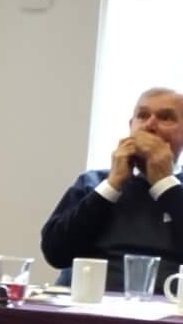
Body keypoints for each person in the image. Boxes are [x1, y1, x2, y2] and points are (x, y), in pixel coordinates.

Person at [40, 86, 183, 292]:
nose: (150, 125)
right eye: (142, 116)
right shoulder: (92, 181)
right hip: (87, 308)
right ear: (131, 126)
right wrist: (112, 184)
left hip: (166, 312)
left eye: (165, 118)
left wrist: (164, 183)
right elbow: (55, 253)